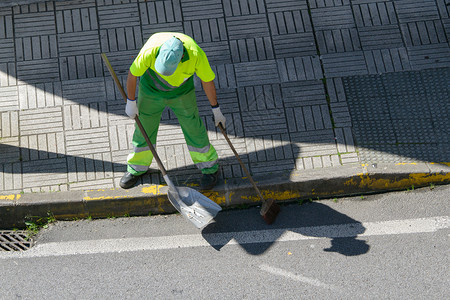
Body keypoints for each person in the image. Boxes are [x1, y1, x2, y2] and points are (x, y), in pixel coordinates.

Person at [120, 32, 226, 190]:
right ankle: (137, 167)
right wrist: (131, 101)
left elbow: (207, 80)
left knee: (193, 128)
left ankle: (210, 168)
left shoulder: (195, 54)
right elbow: (133, 74)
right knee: (143, 129)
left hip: (182, 93)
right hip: (151, 91)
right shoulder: (150, 50)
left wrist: (216, 109)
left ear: (182, 56)